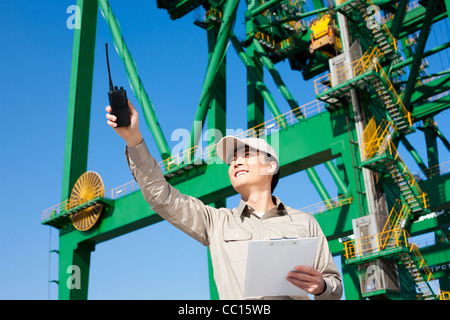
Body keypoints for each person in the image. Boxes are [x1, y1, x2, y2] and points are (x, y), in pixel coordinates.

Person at [106, 100, 342, 300]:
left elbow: (335, 285)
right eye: (232, 161)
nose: (236, 163)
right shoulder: (216, 222)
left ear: (271, 166)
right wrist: (133, 139)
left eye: (246, 155)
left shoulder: (305, 222)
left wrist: (321, 286)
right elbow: (161, 196)